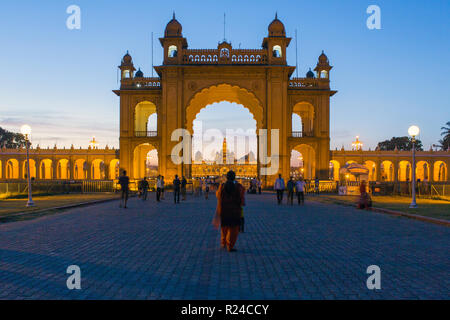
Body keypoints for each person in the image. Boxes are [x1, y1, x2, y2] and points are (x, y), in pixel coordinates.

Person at [214, 170, 245, 252]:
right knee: (234, 229)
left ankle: (223, 242)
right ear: (234, 177)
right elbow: (241, 198)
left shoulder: (222, 186)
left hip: (224, 210)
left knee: (224, 227)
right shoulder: (238, 186)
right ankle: (230, 245)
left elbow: (218, 195)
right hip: (235, 211)